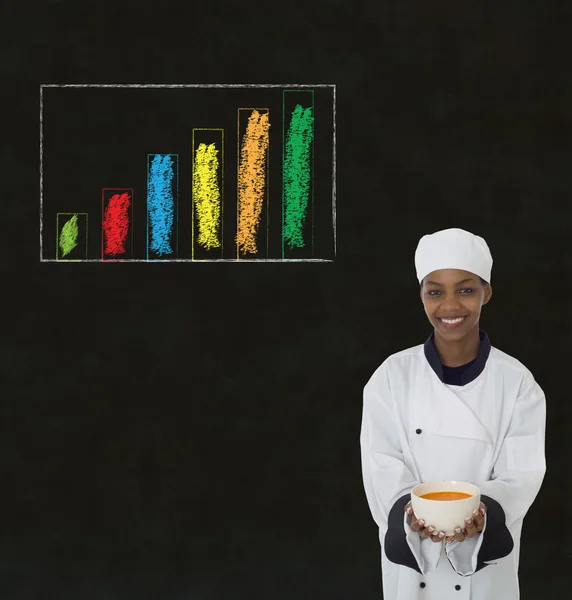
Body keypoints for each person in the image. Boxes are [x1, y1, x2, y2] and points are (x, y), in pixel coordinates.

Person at [360, 228, 546, 600]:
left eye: (465, 289)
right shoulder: (391, 377)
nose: (450, 306)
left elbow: (521, 475)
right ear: (422, 296)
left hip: (486, 571)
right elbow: (380, 465)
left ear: (486, 293)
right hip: (412, 569)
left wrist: (482, 513)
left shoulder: (517, 383)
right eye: (435, 291)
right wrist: (410, 514)